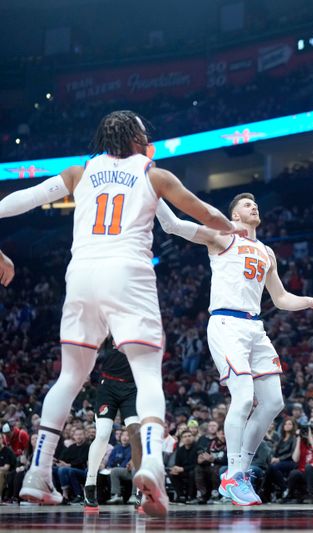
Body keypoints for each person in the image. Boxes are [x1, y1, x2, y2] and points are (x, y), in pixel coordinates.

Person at [2, 111, 239, 517]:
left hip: (81, 274)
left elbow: (23, 200)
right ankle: (150, 463)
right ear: (136, 138)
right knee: (147, 374)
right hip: (127, 272)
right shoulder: (154, 173)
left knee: (70, 376)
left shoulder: (80, 171)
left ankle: (38, 474)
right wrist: (232, 229)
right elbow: (204, 215)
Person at [156, 192, 313, 506]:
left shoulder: (266, 252)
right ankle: (235, 474)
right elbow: (171, 226)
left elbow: (280, 299)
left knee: (274, 401)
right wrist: (153, 192)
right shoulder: (223, 238)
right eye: (246, 205)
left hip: (254, 326)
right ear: (234, 215)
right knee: (244, 396)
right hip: (226, 323)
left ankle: (240, 471)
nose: (254, 206)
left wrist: (308, 301)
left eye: (255, 203)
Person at [83, 339, 142, 509]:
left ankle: (141, 488)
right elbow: (92, 346)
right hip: (107, 386)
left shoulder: (144, 323)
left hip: (132, 388)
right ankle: (90, 485)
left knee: (136, 435)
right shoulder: (110, 321)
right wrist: (85, 370)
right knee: (102, 435)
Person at [55, 427, 91, 504]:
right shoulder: (72, 447)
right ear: (73, 436)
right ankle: (56, 494)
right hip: (69, 469)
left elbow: (83, 459)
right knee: (53, 470)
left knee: (64, 470)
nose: (78, 436)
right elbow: (63, 457)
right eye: (76, 435)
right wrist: (57, 461)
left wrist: (69, 465)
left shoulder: (88, 446)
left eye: (80, 434)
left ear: (84, 435)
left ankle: (68, 495)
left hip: (82, 470)